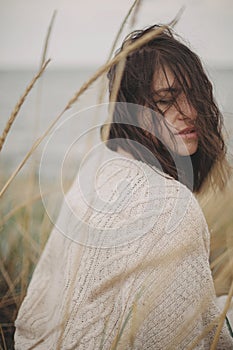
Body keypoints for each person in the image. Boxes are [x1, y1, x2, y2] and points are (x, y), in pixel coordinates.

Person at [15, 24, 233, 349]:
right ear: (130, 107)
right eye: (165, 100)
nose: (190, 112)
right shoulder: (172, 205)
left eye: (195, 95)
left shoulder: (99, 162)